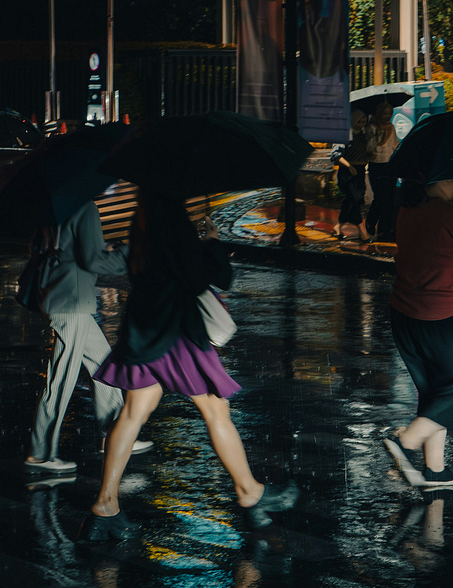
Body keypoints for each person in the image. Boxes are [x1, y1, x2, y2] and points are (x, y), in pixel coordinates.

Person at [82, 192, 296, 540]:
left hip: (142, 329)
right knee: (216, 410)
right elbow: (205, 278)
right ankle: (249, 492)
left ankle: (105, 505)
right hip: (176, 332)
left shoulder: (142, 221)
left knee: (134, 413)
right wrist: (211, 242)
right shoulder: (173, 222)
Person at [381, 177, 453, 491]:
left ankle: (436, 471)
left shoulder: (407, 211)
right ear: (443, 178)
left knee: (435, 393)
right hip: (445, 316)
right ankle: (406, 442)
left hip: (405, 315)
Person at [24, 202, 150, 474]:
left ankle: (116, 433)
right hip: (72, 301)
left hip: (57, 293)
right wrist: (130, 252)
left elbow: (47, 248)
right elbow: (93, 260)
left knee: (104, 364)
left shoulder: (51, 207)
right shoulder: (83, 206)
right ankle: (42, 452)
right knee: (62, 378)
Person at [333, 109, 372, 240]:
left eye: (363, 122)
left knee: (351, 200)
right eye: (358, 122)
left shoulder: (363, 135)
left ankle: (339, 225)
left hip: (360, 171)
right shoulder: (345, 135)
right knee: (355, 200)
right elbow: (336, 156)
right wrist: (349, 166)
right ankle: (362, 231)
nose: (361, 124)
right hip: (348, 173)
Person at [364, 100, 400, 242]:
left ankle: (384, 230)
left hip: (390, 166)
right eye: (384, 113)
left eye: (389, 113)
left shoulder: (391, 127)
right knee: (379, 197)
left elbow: (395, 144)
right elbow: (369, 148)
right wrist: (378, 135)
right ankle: (371, 220)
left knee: (389, 199)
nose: (387, 116)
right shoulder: (372, 128)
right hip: (376, 165)